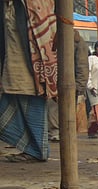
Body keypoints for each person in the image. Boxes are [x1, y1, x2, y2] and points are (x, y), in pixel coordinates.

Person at [0, 0, 55, 163]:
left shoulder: (34, 4)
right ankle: (29, 148)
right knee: (8, 105)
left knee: (32, 107)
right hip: (10, 65)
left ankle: (37, 150)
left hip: (32, 66)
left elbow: (45, 33)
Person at [47, 31, 90, 143]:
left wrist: (80, 85)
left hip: (68, 83)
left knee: (61, 110)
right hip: (51, 79)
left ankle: (59, 132)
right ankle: (55, 132)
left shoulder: (77, 41)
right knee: (54, 109)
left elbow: (82, 65)